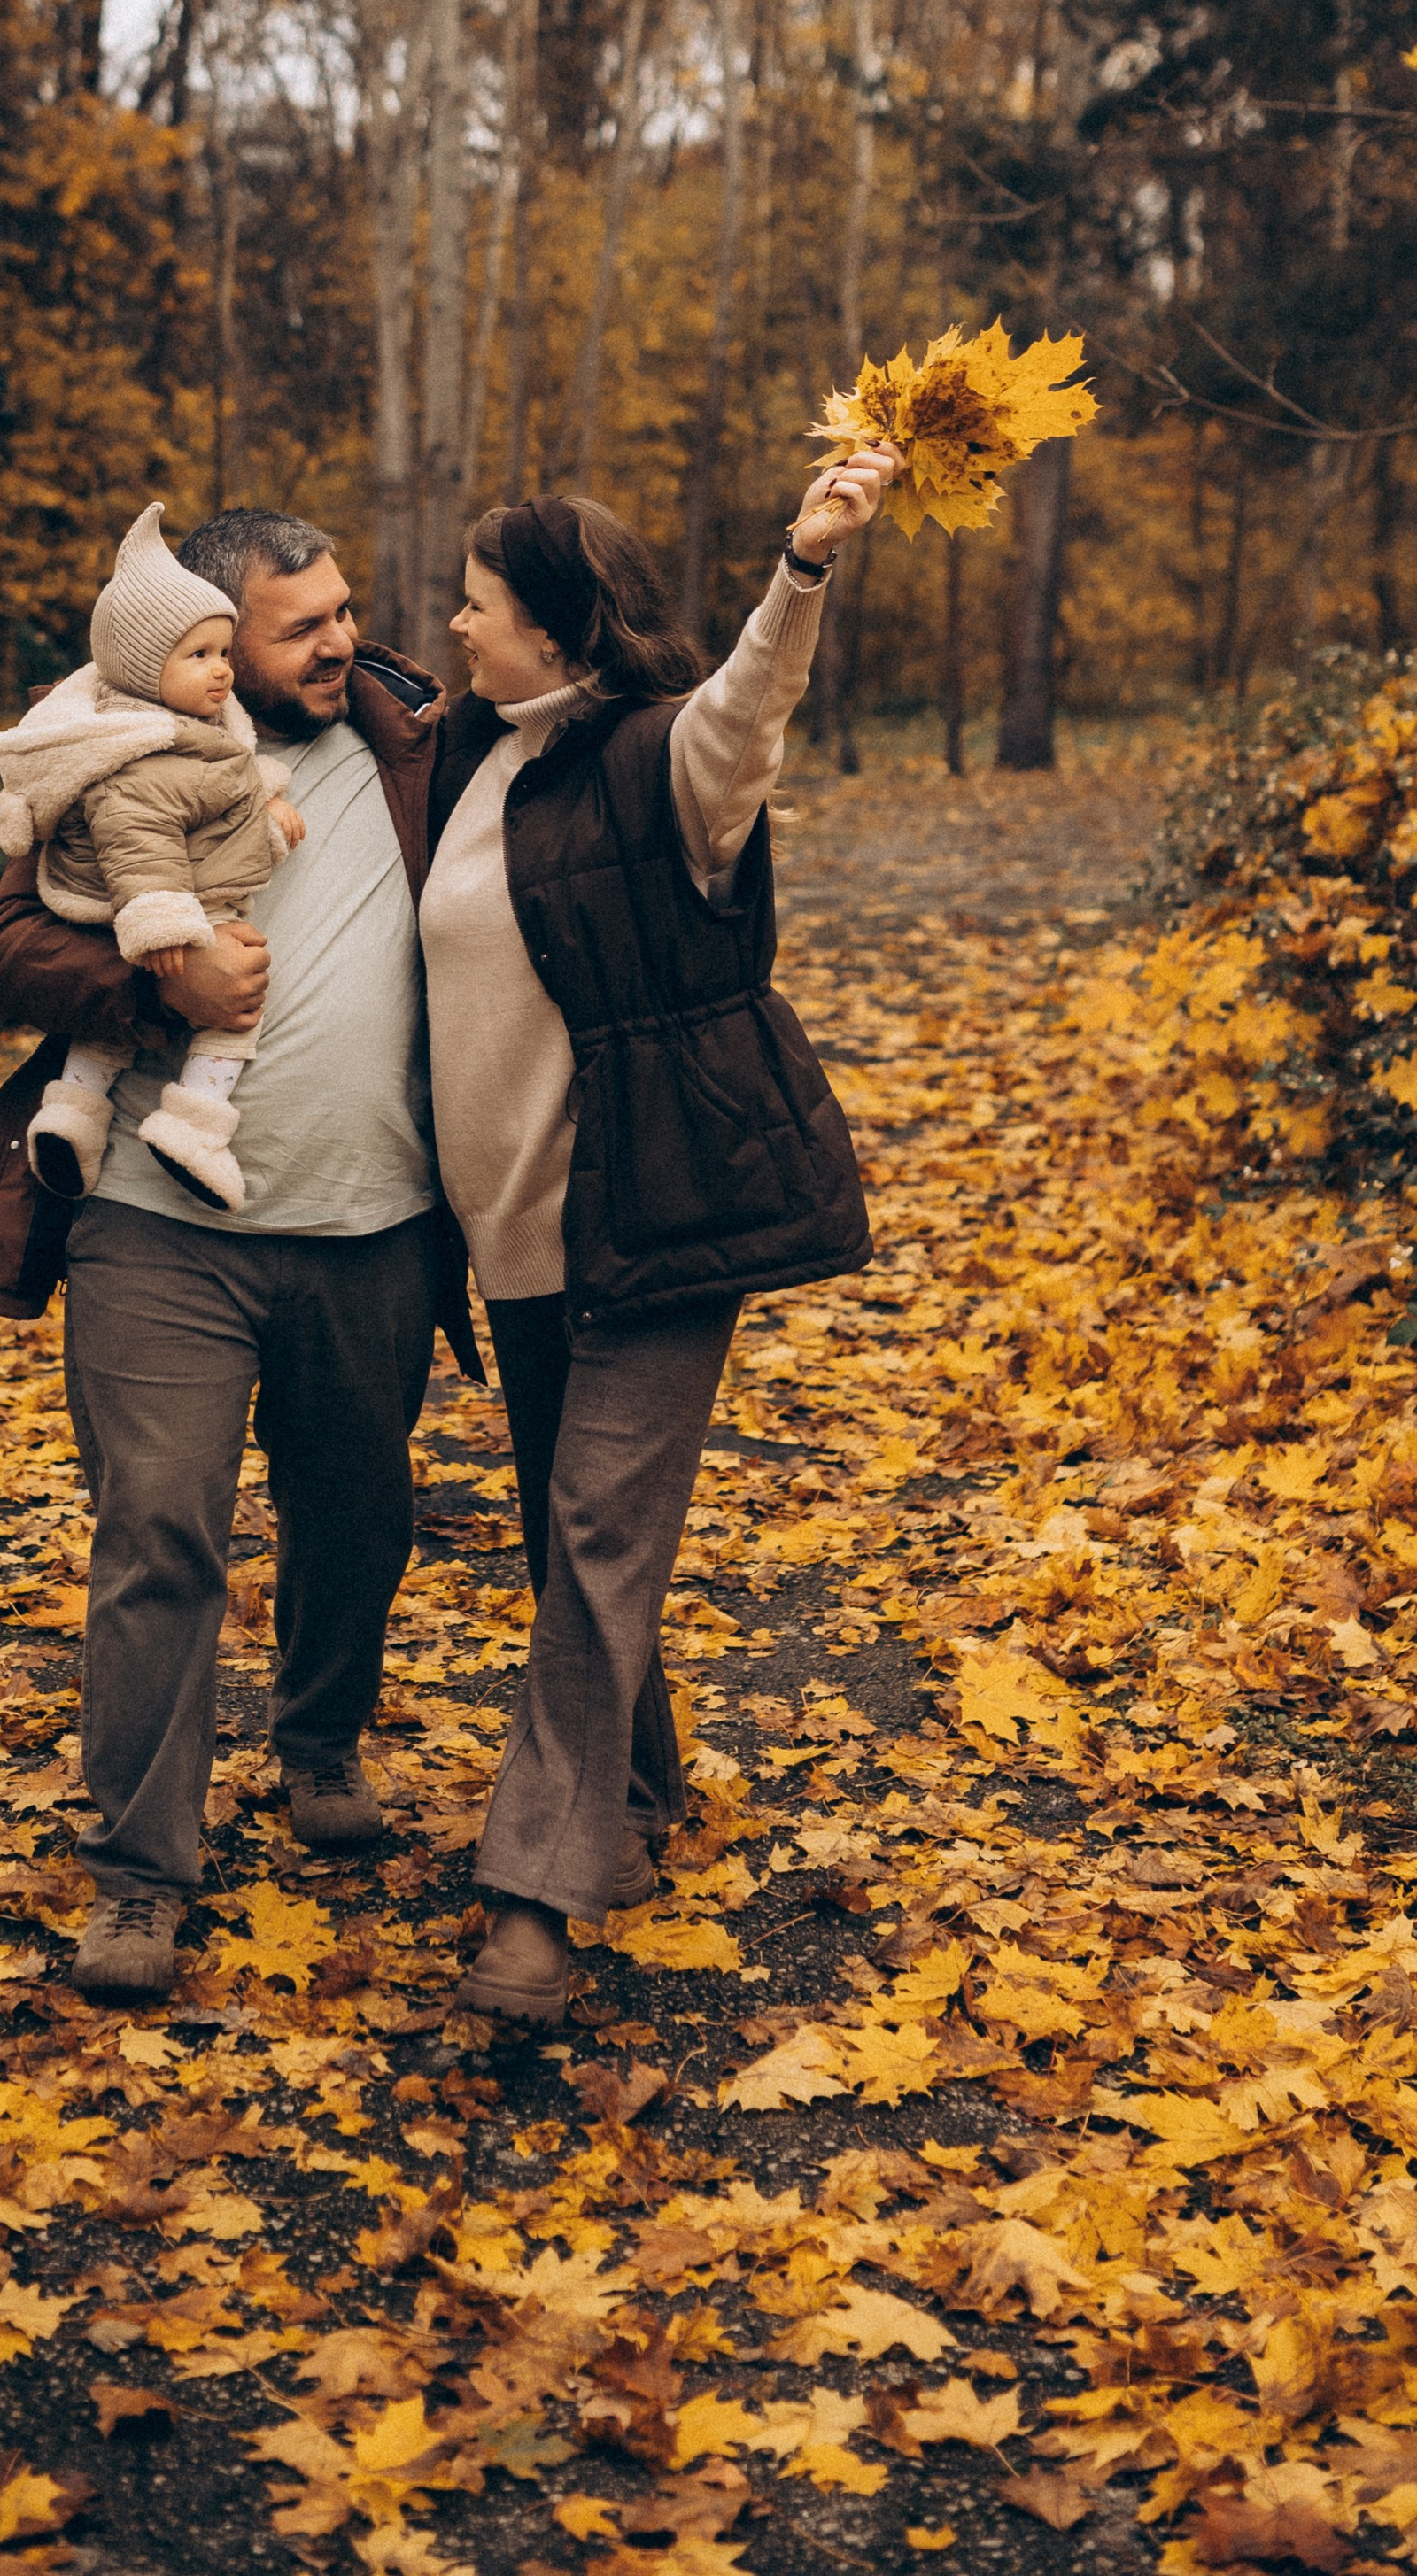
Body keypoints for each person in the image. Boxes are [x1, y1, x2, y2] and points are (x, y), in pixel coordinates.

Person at [0, 509, 477, 2007]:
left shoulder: (417, 739)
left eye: (345, 610)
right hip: (156, 1229)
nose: (341, 641)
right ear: (216, 641)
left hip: (375, 1222)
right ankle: (136, 1874)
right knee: (161, 1531)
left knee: (358, 1516)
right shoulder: (112, 741)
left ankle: (317, 1744)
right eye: (302, 626)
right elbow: (3, 951)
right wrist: (145, 969)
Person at [417, 445, 897, 2023]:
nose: (456, 626)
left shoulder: (654, 762)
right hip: (515, 1238)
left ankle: (534, 1900)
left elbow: (745, 705)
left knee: (596, 1537)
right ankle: (636, 1795)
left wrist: (805, 563)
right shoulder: (464, 752)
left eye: (478, 605)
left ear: (557, 630)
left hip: (654, 1211)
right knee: (576, 1530)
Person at [0, 505, 306, 1214]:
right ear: (140, 666)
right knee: (235, 1013)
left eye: (222, 653)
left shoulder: (182, 729)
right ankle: (194, 1125)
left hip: (146, 901)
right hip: (154, 912)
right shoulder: (132, 751)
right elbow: (141, 831)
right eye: (200, 656)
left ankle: (73, 1114)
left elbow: (218, 791)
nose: (220, 672)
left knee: (104, 1042)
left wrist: (267, 806)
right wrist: (161, 924)